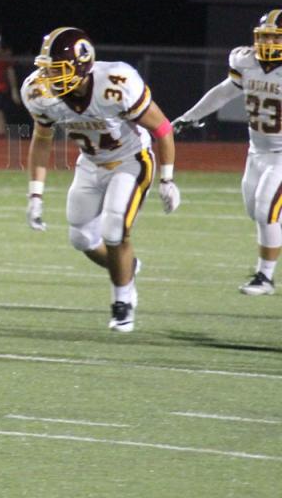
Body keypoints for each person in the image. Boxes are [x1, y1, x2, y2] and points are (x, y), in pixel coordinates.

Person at [23, 27, 180, 332]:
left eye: (58, 70)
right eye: (47, 71)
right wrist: (35, 195)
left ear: (82, 65)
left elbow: (162, 128)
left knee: (114, 230)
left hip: (131, 161)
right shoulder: (40, 94)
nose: (50, 79)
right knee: (80, 238)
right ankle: (127, 267)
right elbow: (41, 141)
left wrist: (167, 178)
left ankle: (122, 303)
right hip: (91, 163)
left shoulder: (117, 82)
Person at [173, 9, 282, 296]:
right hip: (257, 151)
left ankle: (265, 277)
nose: (268, 43)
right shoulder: (245, 61)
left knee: (266, 210)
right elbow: (224, 92)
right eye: (264, 37)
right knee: (256, 211)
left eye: (275, 37)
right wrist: (190, 116)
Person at [0, 31, 21, 136]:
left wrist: (14, 90)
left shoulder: (5, 57)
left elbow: (10, 73)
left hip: (0, 88)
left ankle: (1, 138)